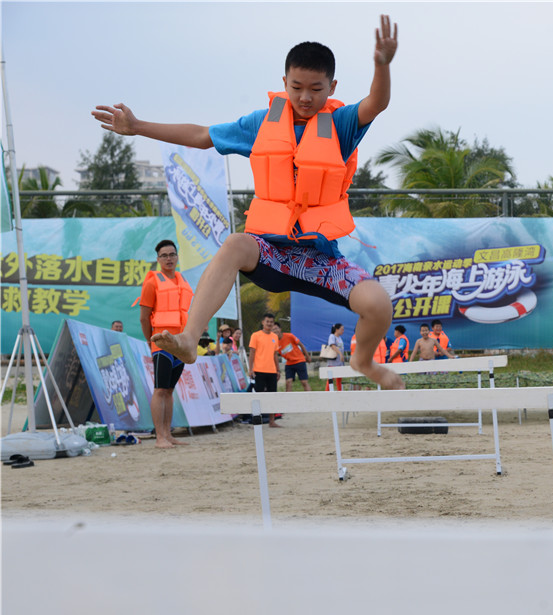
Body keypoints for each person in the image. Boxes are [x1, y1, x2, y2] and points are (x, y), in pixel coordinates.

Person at [91, 15, 403, 392]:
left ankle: (364, 361)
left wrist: (382, 65)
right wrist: (139, 126)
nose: (305, 97)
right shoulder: (262, 123)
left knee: (379, 304)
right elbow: (203, 135)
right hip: (270, 251)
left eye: (316, 89)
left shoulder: (341, 124)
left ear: (331, 87)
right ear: (284, 82)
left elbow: (376, 103)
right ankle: (190, 338)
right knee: (236, 242)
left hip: (320, 259)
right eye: (297, 87)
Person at [137, 239, 193, 449]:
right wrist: (151, 340)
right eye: (164, 255)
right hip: (161, 342)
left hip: (180, 343)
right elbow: (144, 317)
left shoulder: (182, 280)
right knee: (160, 389)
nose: (169, 259)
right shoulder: (153, 281)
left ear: (177, 257)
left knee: (170, 390)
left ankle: (168, 434)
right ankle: (159, 437)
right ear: (158, 259)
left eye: (172, 254)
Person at [248, 313, 281, 427]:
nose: (269, 324)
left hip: (272, 371)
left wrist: (278, 370)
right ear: (263, 322)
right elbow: (252, 353)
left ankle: (272, 421)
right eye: (267, 321)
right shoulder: (255, 335)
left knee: (272, 396)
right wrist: (250, 369)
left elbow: (275, 354)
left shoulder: (274, 337)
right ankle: (258, 420)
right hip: (259, 370)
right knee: (259, 395)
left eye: (271, 322)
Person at [272, 324, 311, 392]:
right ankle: (288, 400)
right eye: (273, 330)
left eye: (276, 328)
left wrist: (307, 357)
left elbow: (301, 345)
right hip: (289, 363)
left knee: (304, 382)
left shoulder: (289, 336)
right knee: (288, 382)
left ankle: (310, 398)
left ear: (280, 329)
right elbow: (274, 355)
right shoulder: (274, 342)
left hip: (299, 361)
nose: (275, 331)